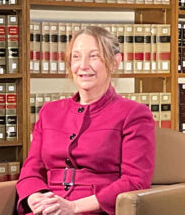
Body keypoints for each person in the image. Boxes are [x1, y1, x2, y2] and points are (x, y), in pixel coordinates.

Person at [16, 26, 155, 215]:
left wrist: (74, 207)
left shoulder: (134, 114)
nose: (83, 65)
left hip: (96, 211)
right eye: (76, 57)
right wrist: (34, 198)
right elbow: (31, 170)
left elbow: (135, 180)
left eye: (94, 56)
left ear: (115, 62)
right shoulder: (49, 111)